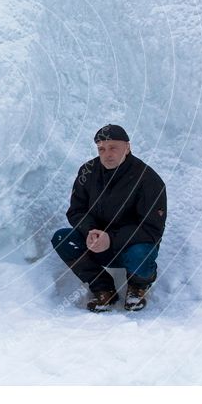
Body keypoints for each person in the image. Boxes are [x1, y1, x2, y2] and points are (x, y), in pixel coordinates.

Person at [51, 124, 167, 312]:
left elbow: (152, 228)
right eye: (101, 149)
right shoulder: (87, 171)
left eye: (113, 147)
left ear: (127, 147)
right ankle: (103, 288)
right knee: (62, 238)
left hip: (131, 247)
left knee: (141, 255)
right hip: (97, 244)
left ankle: (138, 286)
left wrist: (111, 238)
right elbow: (76, 211)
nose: (107, 154)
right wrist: (91, 231)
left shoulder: (148, 179)